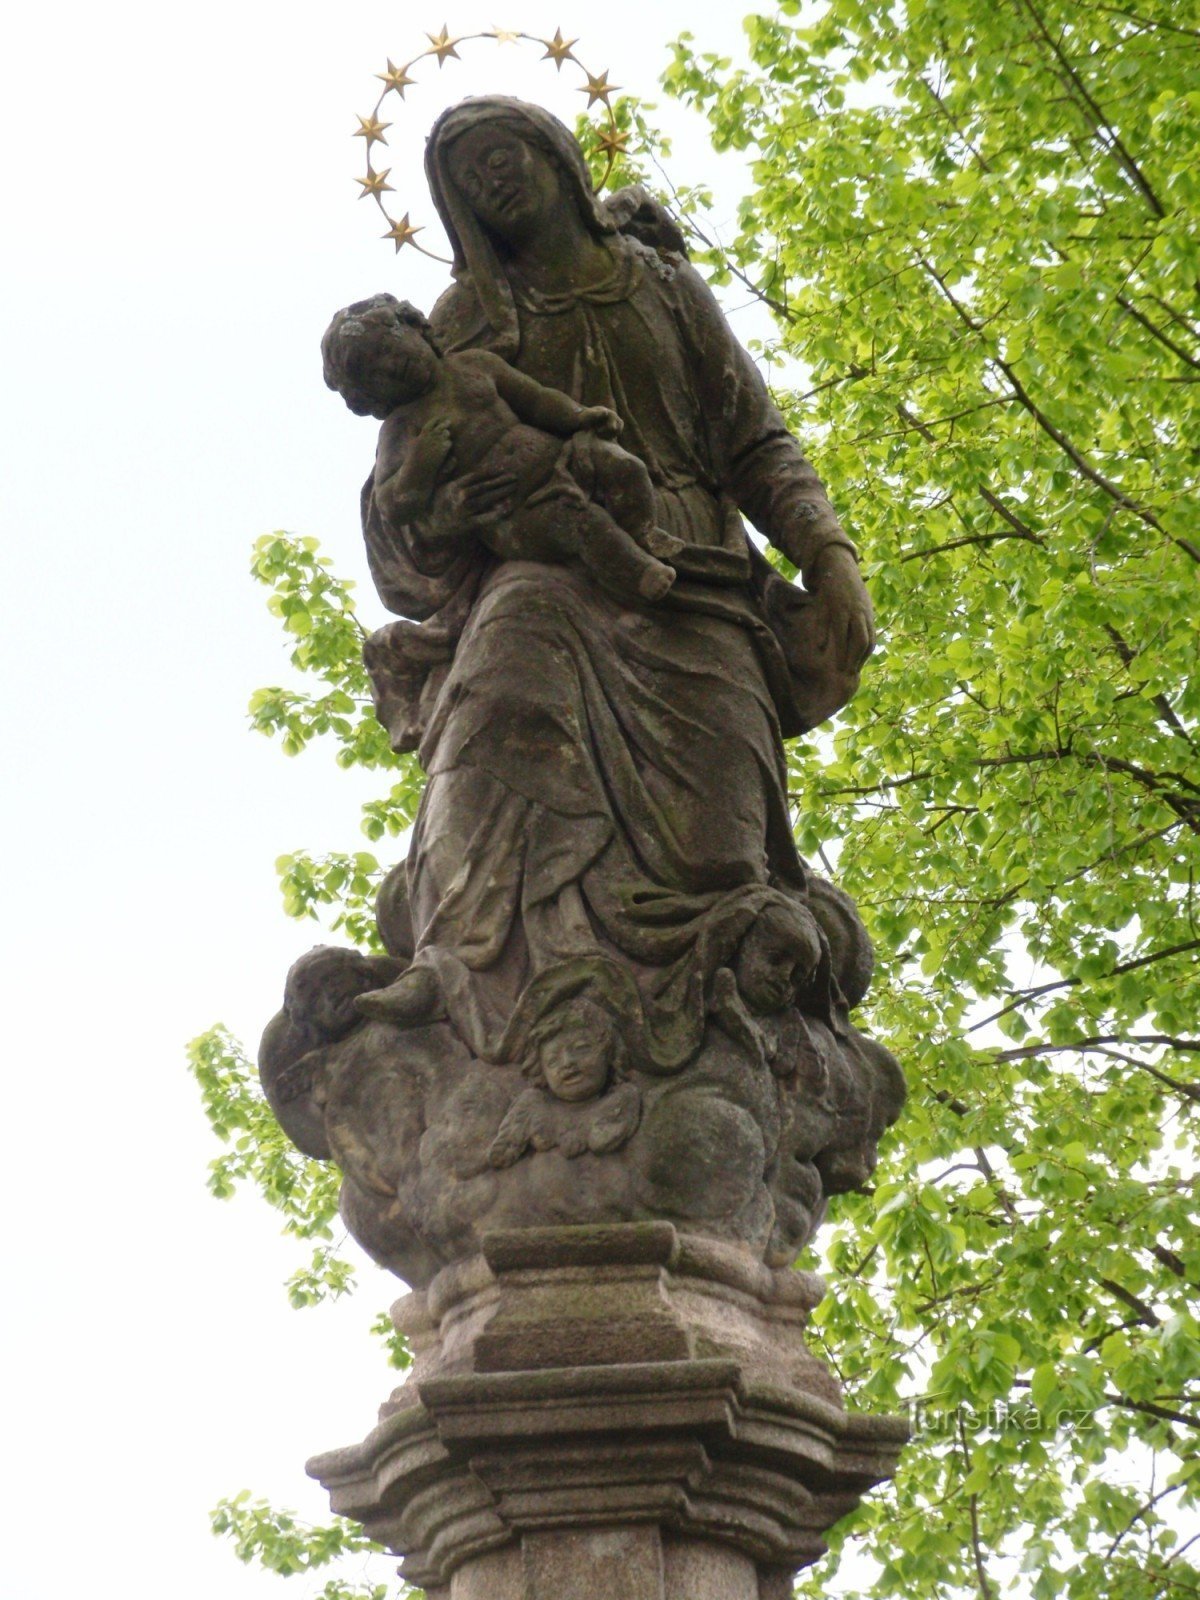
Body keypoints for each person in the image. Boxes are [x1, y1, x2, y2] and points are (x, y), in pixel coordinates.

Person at [354, 96, 877, 1075]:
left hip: (694, 578)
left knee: (721, 860)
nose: (492, 181)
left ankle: (719, 1060)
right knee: (494, 724)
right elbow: (407, 472)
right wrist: (445, 506)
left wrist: (828, 554)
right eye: (467, 179)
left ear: (554, 155)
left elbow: (755, 441)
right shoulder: (468, 319)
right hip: (540, 577)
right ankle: (460, 988)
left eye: (502, 155)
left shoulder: (663, 287)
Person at [321, 292, 681, 605]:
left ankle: (643, 532)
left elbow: (536, 400)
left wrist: (579, 416)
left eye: (387, 348)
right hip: (515, 508)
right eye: (374, 373)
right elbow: (391, 504)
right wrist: (421, 463)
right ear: (370, 397)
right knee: (582, 523)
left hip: (560, 458)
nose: (390, 366)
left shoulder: (475, 365)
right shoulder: (399, 429)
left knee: (624, 467)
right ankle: (637, 574)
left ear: (416, 327)